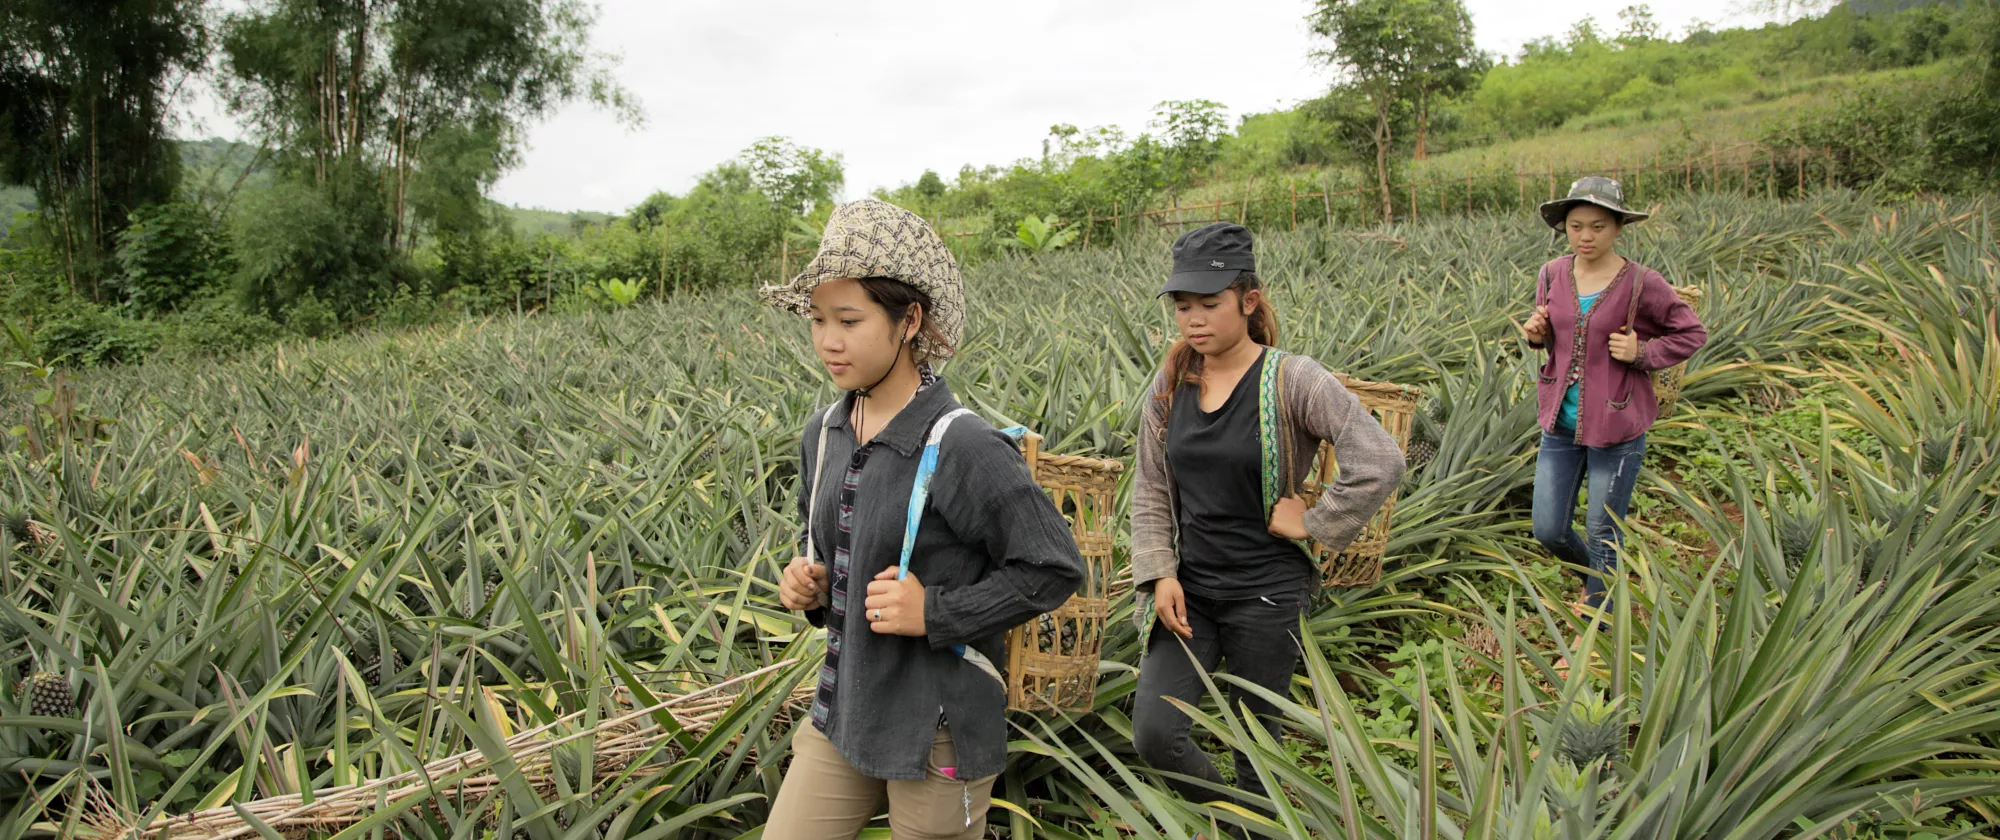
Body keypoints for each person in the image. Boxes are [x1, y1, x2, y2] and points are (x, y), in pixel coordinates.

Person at [760, 199, 1085, 840]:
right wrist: (810, 586)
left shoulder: (961, 445)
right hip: (845, 708)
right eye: (819, 319)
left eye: (850, 320)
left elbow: (1053, 568)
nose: (829, 340)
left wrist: (933, 613)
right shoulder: (824, 433)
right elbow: (832, 548)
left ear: (908, 320)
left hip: (940, 725)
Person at [1128, 222, 1406, 821]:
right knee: (1156, 734)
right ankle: (1244, 822)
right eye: (1182, 307)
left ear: (1248, 301)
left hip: (1267, 593)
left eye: (1209, 304)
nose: (1193, 320)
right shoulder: (1171, 380)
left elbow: (1381, 459)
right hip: (1191, 592)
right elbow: (1150, 483)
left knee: (1257, 746)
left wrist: (1317, 520)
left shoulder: (1293, 378)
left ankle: (1261, 827)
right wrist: (1158, 573)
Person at [1520, 177, 1707, 616]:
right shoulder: (1551, 274)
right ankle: (1602, 583)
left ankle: (1600, 623)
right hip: (1560, 424)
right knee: (1548, 529)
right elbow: (1559, 344)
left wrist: (1642, 352)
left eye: (1599, 226)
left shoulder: (1642, 282)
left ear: (1619, 228)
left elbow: (1691, 332)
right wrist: (1537, 336)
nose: (1587, 236)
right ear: (1564, 228)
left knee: (1603, 529)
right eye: (1577, 225)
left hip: (1617, 424)